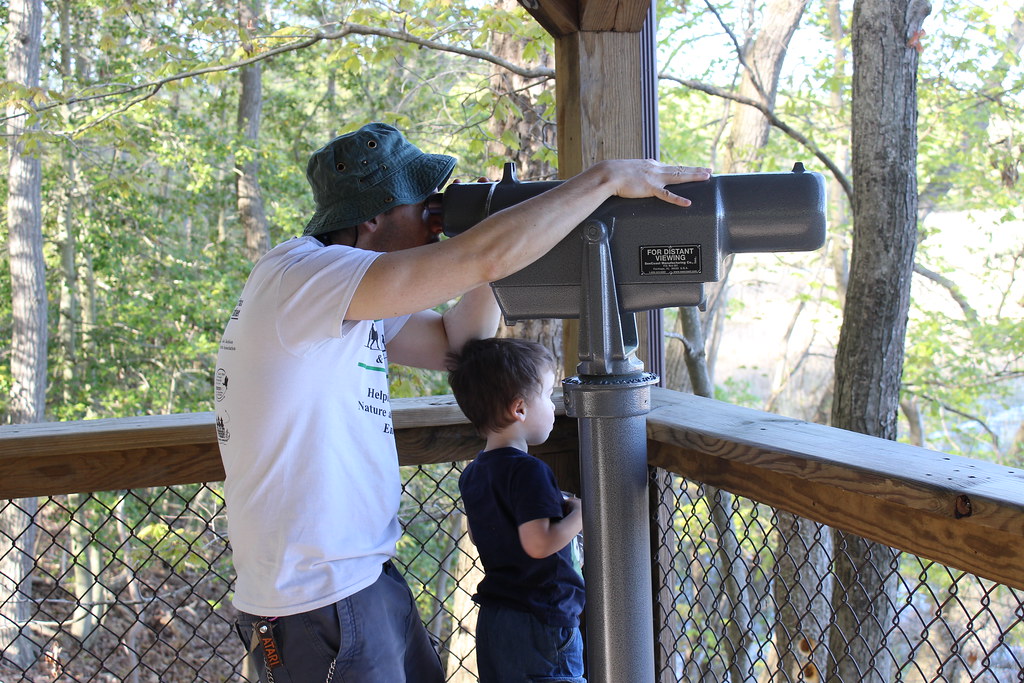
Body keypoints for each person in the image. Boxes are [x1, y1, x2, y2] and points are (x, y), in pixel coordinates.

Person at [214, 121, 710, 682]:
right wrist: (604, 180)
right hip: (313, 599)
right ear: (372, 215)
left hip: (362, 576)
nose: (436, 214)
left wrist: (487, 239)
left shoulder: (341, 293)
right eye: (422, 201)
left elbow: (460, 343)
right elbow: (485, 258)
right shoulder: (305, 276)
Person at [447, 337, 586, 683]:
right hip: (542, 617)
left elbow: (486, 534)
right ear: (519, 408)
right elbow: (538, 544)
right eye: (548, 395)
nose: (554, 406)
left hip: (497, 618)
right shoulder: (528, 470)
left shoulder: (474, 473)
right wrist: (584, 514)